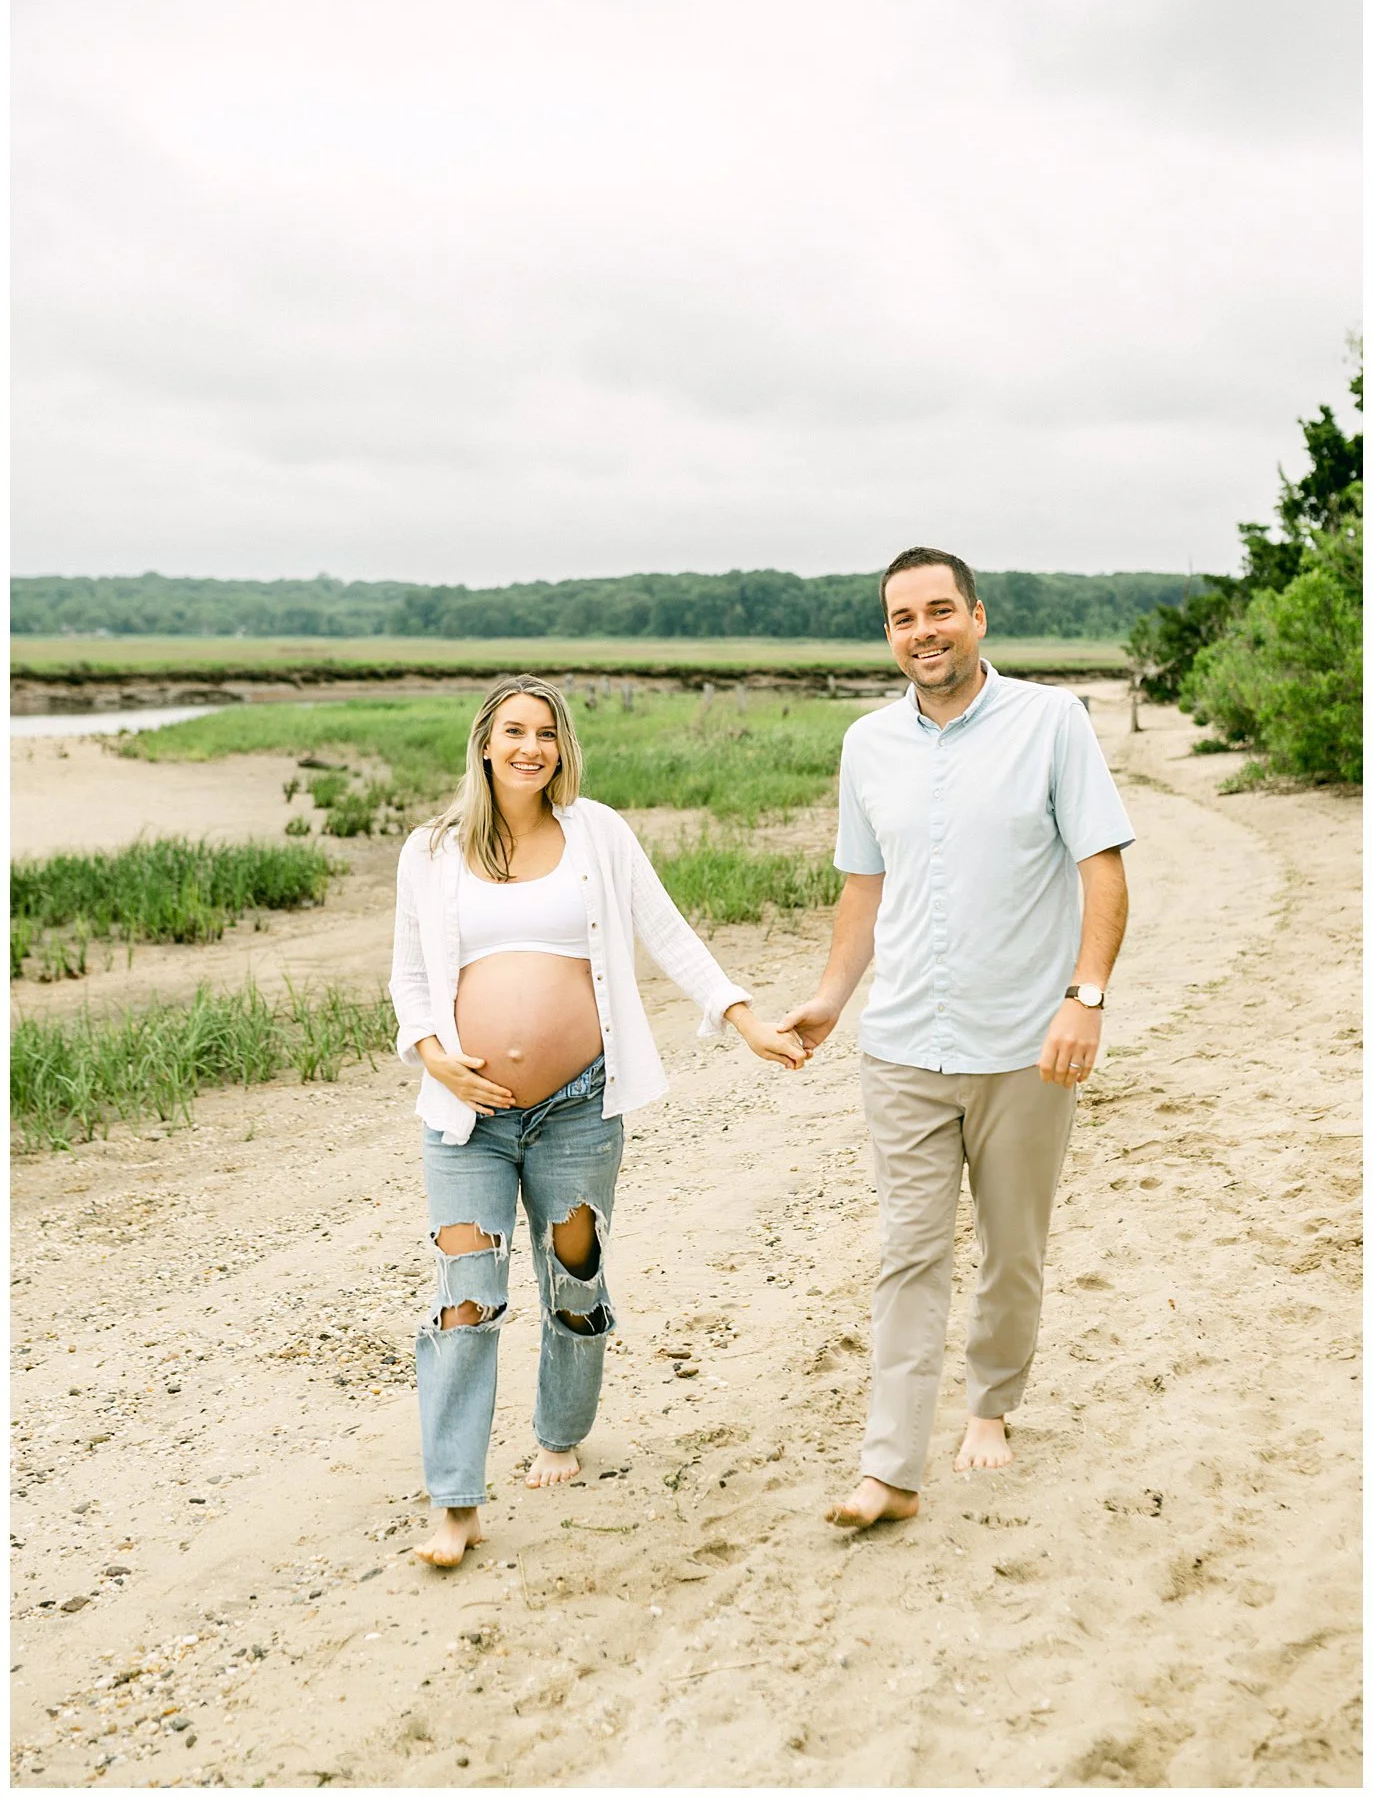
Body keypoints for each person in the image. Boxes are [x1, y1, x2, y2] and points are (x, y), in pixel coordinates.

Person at [389, 673, 806, 1568]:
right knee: (467, 1297)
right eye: (513, 731)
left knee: (572, 1278)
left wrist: (743, 1020)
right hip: (468, 1116)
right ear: (484, 743)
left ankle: (559, 1434)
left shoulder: (598, 834)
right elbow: (408, 978)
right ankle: (455, 1504)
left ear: (561, 746)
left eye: (546, 732)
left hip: (579, 1106)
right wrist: (432, 1054)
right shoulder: (429, 850)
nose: (530, 746)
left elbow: (669, 933)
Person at [779, 548, 1134, 1529]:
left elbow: (1101, 870)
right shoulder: (867, 744)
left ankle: (990, 1401)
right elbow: (863, 886)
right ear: (887, 633)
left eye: (940, 610)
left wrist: (1085, 996)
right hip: (901, 1047)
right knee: (907, 1251)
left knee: (1010, 1246)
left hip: (1026, 1045)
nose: (922, 630)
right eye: (902, 617)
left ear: (976, 617)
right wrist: (828, 997)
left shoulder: (1050, 724)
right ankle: (889, 1468)